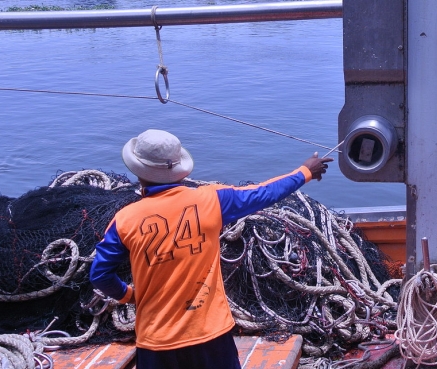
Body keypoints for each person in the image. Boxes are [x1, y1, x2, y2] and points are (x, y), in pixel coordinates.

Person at [90, 129, 332, 369]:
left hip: (157, 342)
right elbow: (264, 193)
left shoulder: (124, 220)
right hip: (212, 334)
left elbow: (100, 275)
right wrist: (305, 172)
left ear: (138, 172)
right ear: (178, 167)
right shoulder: (212, 200)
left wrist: (130, 296)